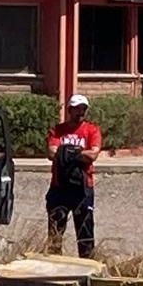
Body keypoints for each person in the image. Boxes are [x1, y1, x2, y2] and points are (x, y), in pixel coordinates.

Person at [46, 94, 103, 258]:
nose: (81, 112)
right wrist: (78, 154)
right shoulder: (58, 130)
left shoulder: (92, 130)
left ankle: (87, 267)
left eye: (84, 109)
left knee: (85, 232)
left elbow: (92, 155)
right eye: (77, 109)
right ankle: (53, 264)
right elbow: (51, 152)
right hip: (59, 187)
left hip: (83, 189)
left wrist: (66, 152)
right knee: (55, 231)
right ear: (69, 110)